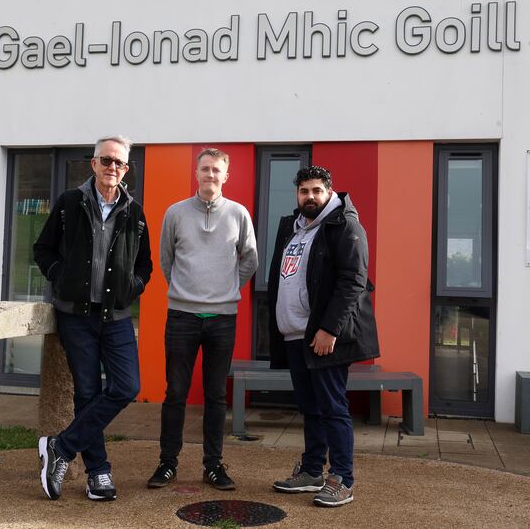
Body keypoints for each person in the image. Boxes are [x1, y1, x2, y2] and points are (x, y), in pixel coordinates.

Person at [33, 135, 153, 501]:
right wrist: (61, 277)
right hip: (76, 316)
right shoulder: (71, 202)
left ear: (126, 169)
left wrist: (133, 287)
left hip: (115, 316)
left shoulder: (134, 210)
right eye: (106, 161)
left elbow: (144, 263)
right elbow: (42, 249)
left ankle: (61, 447)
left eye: (119, 163)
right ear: (94, 163)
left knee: (127, 386)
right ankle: (98, 473)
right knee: (88, 394)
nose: (112, 168)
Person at [147, 148, 258, 491]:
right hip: (182, 316)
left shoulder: (238, 214)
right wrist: (187, 290)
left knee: (215, 396)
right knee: (175, 393)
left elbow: (249, 260)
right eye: (205, 169)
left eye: (217, 170)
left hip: (222, 319)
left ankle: (213, 465)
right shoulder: (175, 214)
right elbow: (166, 260)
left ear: (227, 176)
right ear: (197, 173)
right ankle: (167, 464)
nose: (210, 175)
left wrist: (225, 288)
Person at [268, 165, 379, 507]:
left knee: (332, 407)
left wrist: (329, 328)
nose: (310, 197)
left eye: (316, 190)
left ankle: (342, 478)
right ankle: (313, 470)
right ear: (297, 194)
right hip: (295, 333)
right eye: (304, 191)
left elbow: (353, 280)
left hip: (325, 335)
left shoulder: (345, 224)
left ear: (329, 191)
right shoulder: (291, 226)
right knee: (310, 407)